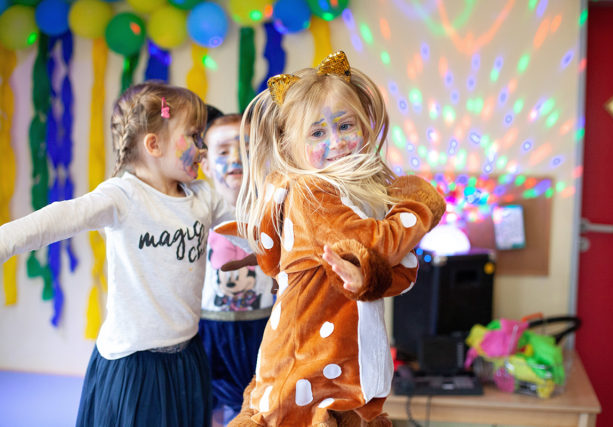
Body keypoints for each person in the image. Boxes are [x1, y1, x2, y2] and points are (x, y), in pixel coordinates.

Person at [219, 51, 446, 427]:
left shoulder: (353, 196)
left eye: (345, 125)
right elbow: (383, 245)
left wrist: (369, 278)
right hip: (308, 372)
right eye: (318, 133)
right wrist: (419, 205)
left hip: (346, 372)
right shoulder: (313, 194)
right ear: (291, 146)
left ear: (365, 126)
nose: (337, 141)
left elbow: (398, 271)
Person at [0, 82, 234, 426]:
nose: (202, 150)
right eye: (195, 137)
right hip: (133, 364)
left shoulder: (203, 197)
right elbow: (57, 218)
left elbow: (251, 229)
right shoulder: (123, 196)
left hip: (187, 355)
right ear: (153, 144)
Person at [198, 107, 275, 426]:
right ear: (203, 162)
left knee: (257, 413)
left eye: (245, 149)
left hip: (261, 333)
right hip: (207, 332)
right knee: (206, 411)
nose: (236, 159)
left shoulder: (273, 208)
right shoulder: (195, 209)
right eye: (223, 151)